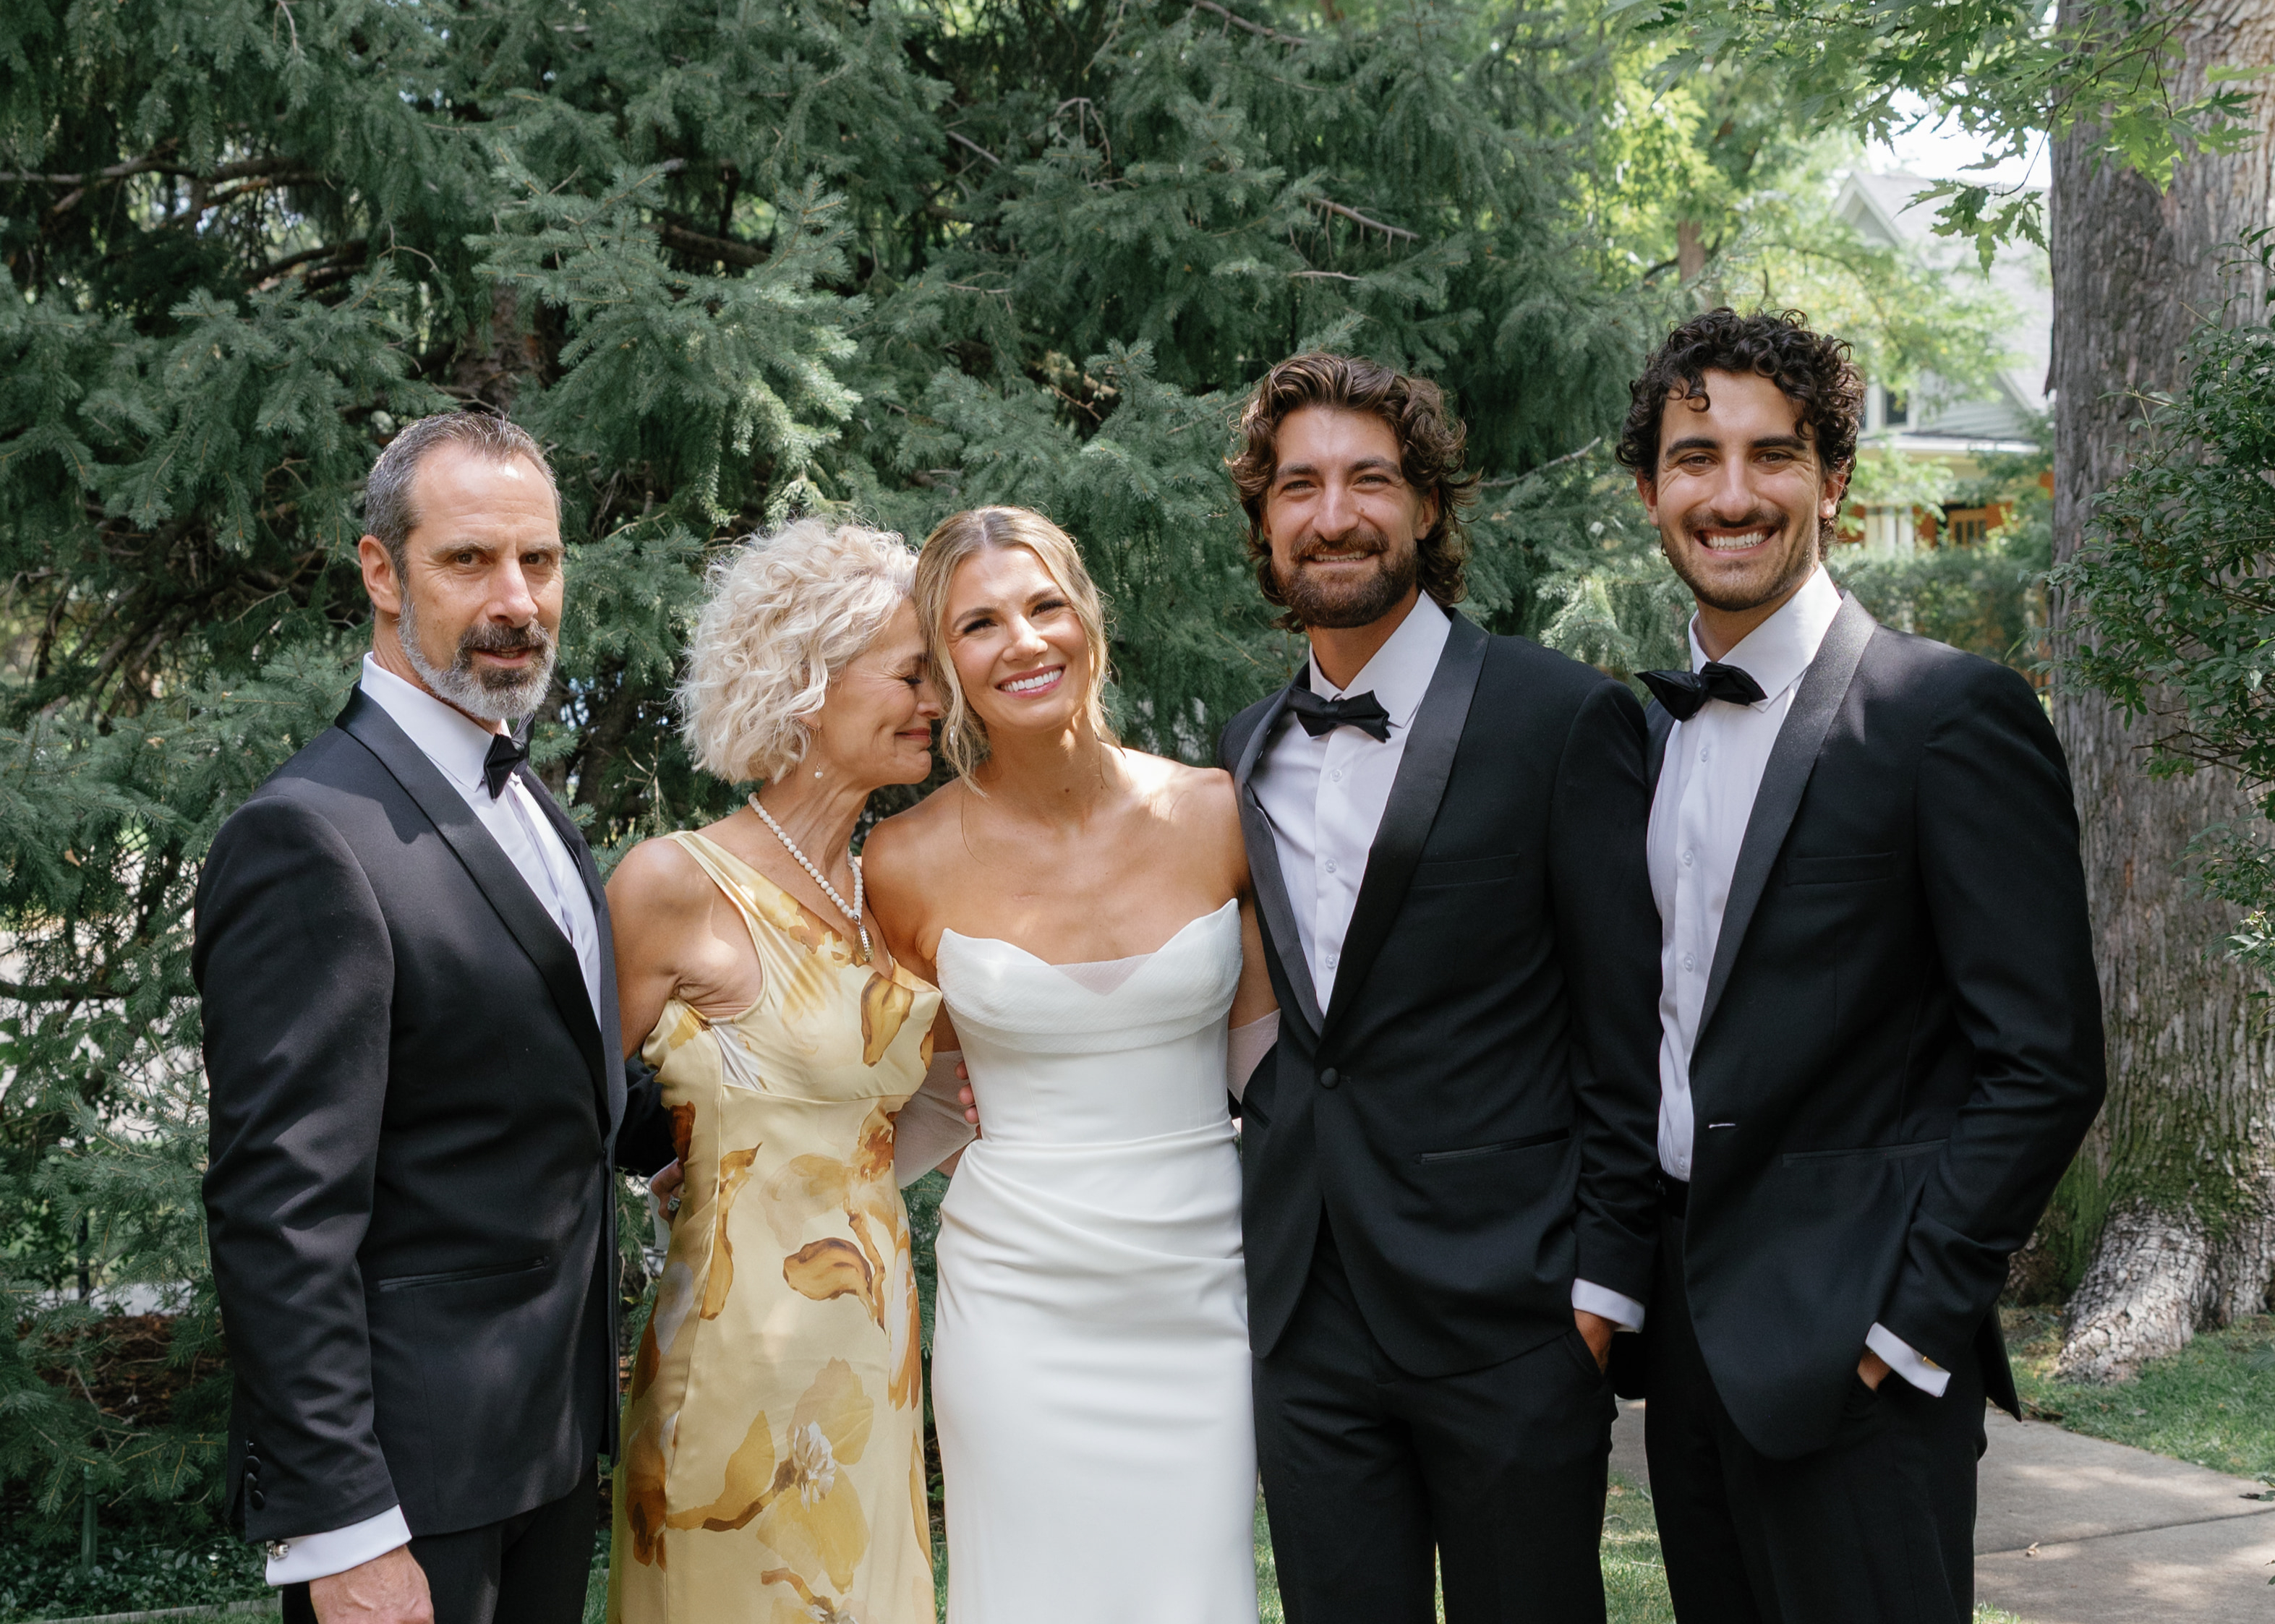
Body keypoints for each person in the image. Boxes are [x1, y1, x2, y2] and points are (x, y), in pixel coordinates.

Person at [1616, 307, 2106, 1623]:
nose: (1730, 493)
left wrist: (1909, 1323)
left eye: (1771, 455)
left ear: (1834, 481)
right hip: (1690, 1340)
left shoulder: (1943, 713)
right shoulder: (1645, 742)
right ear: (1651, 486)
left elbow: (2045, 1059)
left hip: (1862, 1348)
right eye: (1691, 456)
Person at [197, 409, 678, 1624]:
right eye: (469, 561)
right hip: (410, 1495)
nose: (516, 598)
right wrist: (343, 1529)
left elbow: (546, 1084)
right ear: (380, 571)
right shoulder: (307, 834)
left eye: (541, 560)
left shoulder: (530, 801)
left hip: (551, 1446)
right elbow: (278, 1213)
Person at [1216, 353, 1663, 1624]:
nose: (1332, 512)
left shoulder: (1562, 716)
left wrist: (1598, 1292)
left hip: (1513, 1314)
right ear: (1263, 518)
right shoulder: (1240, 749)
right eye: (1297, 484)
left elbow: (1624, 1030)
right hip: (1308, 1315)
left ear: (1424, 506)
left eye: (1369, 478)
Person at [862, 505, 1277, 1624]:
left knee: (1193, 1594)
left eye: (1044, 604)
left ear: (1087, 619)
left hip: (1199, 1281)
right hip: (1019, 1298)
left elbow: (1272, 1071)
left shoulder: (1219, 814)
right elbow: (920, 1098)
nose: (1023, 641)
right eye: (980, 623)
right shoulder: (899, 862)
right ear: (943, 666)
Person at [602, 521, 947, 1624]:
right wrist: (680, 1161)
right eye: (911, 673)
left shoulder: (886, 891)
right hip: (737, 1369)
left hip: (876, 1360)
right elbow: (565, 1120)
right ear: (807, 683)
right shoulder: (671, 885)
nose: (937, 699)